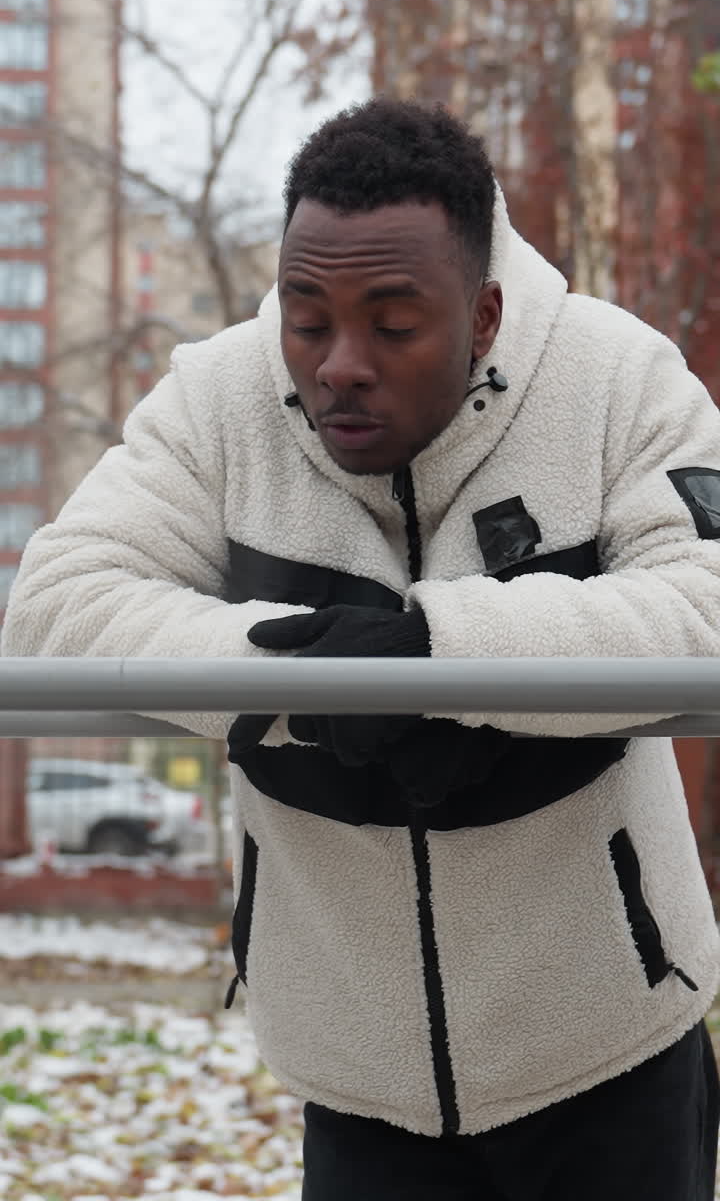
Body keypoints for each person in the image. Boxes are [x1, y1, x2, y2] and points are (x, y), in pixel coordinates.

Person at [4, 97, 720, 1200]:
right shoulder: (221, 399)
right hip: (357, 1071)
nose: (338, 363)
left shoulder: (616, 379)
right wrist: (296, 676)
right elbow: (56, 606)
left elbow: (707, 602)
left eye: (393, 324)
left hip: (610, 1047)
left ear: (482, 314)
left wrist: (438, 652)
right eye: (307, 316)